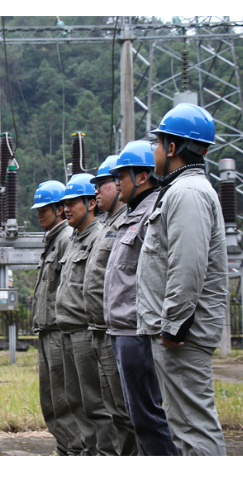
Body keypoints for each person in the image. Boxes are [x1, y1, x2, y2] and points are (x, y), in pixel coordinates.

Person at [137, 103, 228, 456]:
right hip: (180, 334)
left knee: (193, 430)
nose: (155, 150)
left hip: (183, 337)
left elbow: (187, 266)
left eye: (158, 143)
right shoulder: (180, 190)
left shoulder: (187, 193)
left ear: (173, 149)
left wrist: (173, 326)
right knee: (183, 428)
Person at [104, 141, 178, 456]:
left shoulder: (154, 215)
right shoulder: (130, 217)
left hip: (137, 331)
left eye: (122, 174)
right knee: (137, 416)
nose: (116, 181)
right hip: (120, 329)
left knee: (149, 415)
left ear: (143, 176)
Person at [56, 173, 117, 455]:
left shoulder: (99, 238)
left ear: (91, 203)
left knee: (96, 403)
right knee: (75, 400)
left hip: (85, 330)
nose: (65, 209)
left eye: (72, 203)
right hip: (67, 331)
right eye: (64, 204)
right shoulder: (74, 240)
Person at [83, 155, 139, 456]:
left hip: (118, 330)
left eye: (101, 184)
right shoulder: (109, 226)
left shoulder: (129, 223)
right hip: (101, 331)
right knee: (113, 409)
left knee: (127, 410)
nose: (97, 192)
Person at [30, 180, 81, 455]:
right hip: (47, 332)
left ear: (60, 209)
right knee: (50, 402)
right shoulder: (53, 239)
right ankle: (66, 448)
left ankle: (73, 449)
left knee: (63, 401)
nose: (39, 214)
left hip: (59, 333)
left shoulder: (63, 240)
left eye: (44, 209)